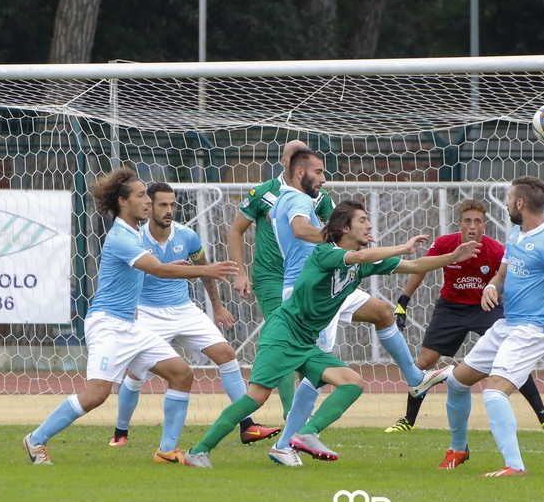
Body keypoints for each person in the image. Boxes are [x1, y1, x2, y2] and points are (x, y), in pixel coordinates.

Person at [182, 200, 481, 468]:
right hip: (282, 335)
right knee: (256, 398)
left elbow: (415, 264)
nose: (368, 225)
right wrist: (402, 247)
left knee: (352, 383)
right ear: (343, 227)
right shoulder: (325, 253)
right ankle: (199, 451)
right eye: (362, 220)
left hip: (305, 341)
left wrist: (453, 256)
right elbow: (363, 259)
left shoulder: (359, 262)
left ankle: (306, 433)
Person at [21, 168, 238, 465]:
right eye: (141, 196)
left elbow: (151, 268)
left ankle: (166, 450)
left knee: (181, 374)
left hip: (131, 326)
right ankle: (35, 440)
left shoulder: (134, 234)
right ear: (123, 202)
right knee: (97, 394)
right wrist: (205, 269)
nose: (148, 202)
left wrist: (173, 264)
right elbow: (157, 270)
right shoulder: (121, 237)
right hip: (107, 325)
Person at [265, 150, 453, 466]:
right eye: (319, 171)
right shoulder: (296, 201)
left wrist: (455, 257)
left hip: (337, 281)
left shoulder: (313, 201)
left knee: (382, 311)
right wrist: (336, 238)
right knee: (315, 376)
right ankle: (285, 443)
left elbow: (413, 263)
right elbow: (301, 231)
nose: (324, 178)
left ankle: (414, 377)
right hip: (312, 291)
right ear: (300, 172)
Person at [107, 182, 281, 456]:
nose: (169, 210)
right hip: (148, 311)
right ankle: (120, 431)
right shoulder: (134, 239)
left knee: (226, 353)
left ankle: (247, 424)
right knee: (136, 373)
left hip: (184, 309)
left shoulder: (187, 237)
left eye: (173, 205)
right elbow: (131, 277)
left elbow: (204, 270)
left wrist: (217, 307)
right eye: (163, 204)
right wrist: (132, 309)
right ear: (149, 206)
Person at [386, 199, 544, 437]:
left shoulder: (495, 250)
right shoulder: (444, 244)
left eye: (478, 222)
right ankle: (408, 420)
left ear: (485, 226)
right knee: (424, 363)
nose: (472, 226)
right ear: (459, 224)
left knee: (510, 359)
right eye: (467, 221)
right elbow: (420, 268)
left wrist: (501, 295)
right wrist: (403, 302)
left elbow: (506, 277)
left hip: (485, 308)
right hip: (450, 308)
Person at [438, 176, 544, 476]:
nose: (508, 203)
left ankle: (514, 466)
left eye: (510, 198)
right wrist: (491, 286)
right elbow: (502, 274)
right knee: (457, 382)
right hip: (508, 325)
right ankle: (459, 449)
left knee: (494, 391)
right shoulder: (515, 232)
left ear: (520, 203)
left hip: (531, 330)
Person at [228, 140, 335, 418]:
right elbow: (235, 231)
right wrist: (240, 271)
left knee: (309, 344)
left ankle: (302, 408)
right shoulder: (264, 193)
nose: (294, 162)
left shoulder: (318, 195)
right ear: (284, 161)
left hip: (306, 277)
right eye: (290, 157)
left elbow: (336, 227)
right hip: (271, 278)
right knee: (286, 341)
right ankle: (292, 413)